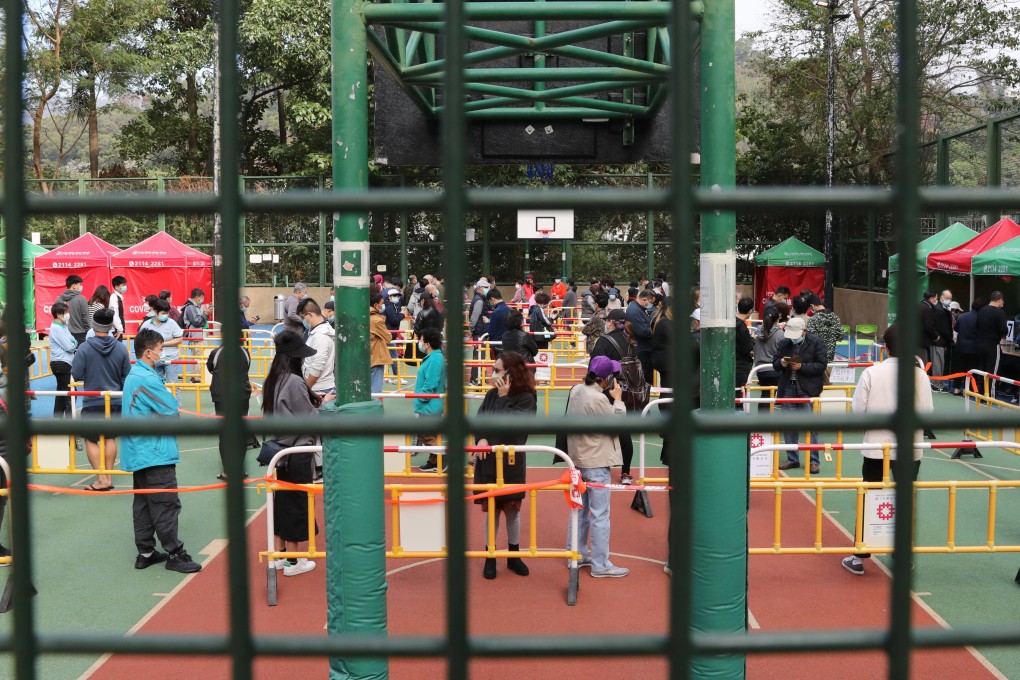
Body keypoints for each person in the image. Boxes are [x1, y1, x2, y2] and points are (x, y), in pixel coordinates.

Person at [841, 324, 934, 576]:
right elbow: (927, 414)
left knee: (869, 497)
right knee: (906, 499)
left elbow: (858, 412)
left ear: (885, 348)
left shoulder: (872, 373)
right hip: (909, 448)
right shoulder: (920, 376)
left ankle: (860, 555)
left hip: (876, 447)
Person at [121, 329, 203, 574]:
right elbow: (171, 410)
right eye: (160, 349)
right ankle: (175, 553)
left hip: (139, 450)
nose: (163, 353)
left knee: (144, 504)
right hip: (153, 451)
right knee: (165, 503)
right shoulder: (146, 379)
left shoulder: (136, 375)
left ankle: (145, 552)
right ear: (148, 352)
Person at [264, 331, 331, 577]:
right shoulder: (293, 381)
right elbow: (308, 417)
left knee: (281, 504)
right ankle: (294, 560)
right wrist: (323, 404)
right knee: (297, 504)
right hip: (297, 450)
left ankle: (281, 555)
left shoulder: (273, 378)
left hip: (279, 452)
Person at [473, 351, 537, 579]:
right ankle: (490, 556)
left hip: (511, 462)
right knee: (492, 511)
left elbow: (514, 429)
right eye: (493, 369)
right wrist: (480, 437)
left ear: (511, 373)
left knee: (512, 510)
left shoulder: (527, 398)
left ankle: (514, 555)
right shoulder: (491, 395)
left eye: (498, 370)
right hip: (489, 460)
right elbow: (480, 420)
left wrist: (503, 398)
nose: (493, 374)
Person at [565, 355, 629, 578]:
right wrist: (618, 401)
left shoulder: (576, 390)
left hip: (577, 458)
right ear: (606, 379)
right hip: (597, 460)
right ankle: (601, 565)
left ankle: (576, 553)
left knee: (579, 511)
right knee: (600, 515)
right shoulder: (598, 399)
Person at [70, 309, 131, 491]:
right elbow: (126, 375)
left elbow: (76, 373)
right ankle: (109, 478)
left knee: (91, 439)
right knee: (110, 438)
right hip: (114, 400)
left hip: (93, 400)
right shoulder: (121, 348)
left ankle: (101, 478)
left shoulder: (85, 348)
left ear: (93, 326)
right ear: (111, 326)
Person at [771, 316, 828, 474]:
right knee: (789, 425)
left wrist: (802, 367)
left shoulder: (816, 341)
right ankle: (792, 459)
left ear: (804, 331)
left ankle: (814, 461)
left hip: (807, 389)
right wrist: (781, 363)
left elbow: (822, 365)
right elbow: (775, 363)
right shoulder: (784, 342)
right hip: (787, 387)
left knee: (811, 427)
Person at [298, 297, 335, 482]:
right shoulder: (321, 333)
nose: (304, 321)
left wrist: (306, 388)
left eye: (304, 317)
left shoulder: (320, 336)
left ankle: (320, 470)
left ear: (310, 315)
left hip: (319, 388)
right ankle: (321, 469)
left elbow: (317, 367)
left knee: (317, 433)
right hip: (320, 386)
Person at [206, 340, 255, 480]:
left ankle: (228, 471)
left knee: (225, 433)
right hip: (241, 395)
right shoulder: (245, 352)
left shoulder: (216, 353)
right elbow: (247, 366)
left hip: (222, 396)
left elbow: (211, 368)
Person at [415, 329, 447, 472]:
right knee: (430, 433)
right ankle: (434, 461)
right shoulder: (435, 357)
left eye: (421, 340)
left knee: (425, 433)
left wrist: (421, 397)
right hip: (430, 403)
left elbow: (431, 383)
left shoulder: (434, 359)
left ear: (427, 344)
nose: (420, 343)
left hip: (429, 404)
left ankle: (444, 456)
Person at [138, 300, 185, 385]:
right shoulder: (147, 324)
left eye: (167, 313)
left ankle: (175, 399)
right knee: (155, 383)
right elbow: (141, 340)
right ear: (155, 312)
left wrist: (162, 344)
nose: (165, 315)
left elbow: (179, 339)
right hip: (154, 359)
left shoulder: (172, 323)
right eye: (163, 313)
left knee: (173, 384)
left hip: (171, 358)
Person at [753, 308, 786, 413]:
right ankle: (766, 423)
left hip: (760, 370)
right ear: (777, 319)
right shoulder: (780, 334)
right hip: (775, 369)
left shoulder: (757, 332)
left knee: (765, 394)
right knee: (770, 396)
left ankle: (761, 423)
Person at [976, 291, 1008, 397]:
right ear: (999, 300)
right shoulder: (1000, 312)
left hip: (980, 343)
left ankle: (981, 393)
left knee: (982, 369)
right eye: (1002, 301)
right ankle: (989, 395)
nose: (1003, 303)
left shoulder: (981, 310)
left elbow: (977, 326)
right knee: (992, 371)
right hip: (992, 345)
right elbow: (1004, 330)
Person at [48, 302, 77, 418]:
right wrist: (73, 343)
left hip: (62, 363)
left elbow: (73, 341)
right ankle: (71, 426)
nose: (68, 314)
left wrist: (73, 343)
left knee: (61, 393)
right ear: (59, 314)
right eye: (66, 313)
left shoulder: (63, 326)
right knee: (70, 394)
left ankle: (58, 419)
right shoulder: (56, 329)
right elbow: (70, 346)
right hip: (62, 363)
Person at [952, 298, 984, 395]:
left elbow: (956, 329)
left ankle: (956, 389)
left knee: (959, 368)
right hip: (974, 348)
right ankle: (969, 390)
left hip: (960, 346)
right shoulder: (981, 319)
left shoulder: (962, 316)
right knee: (972, 369)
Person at [626, 289, 657, 383]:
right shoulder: (635, 311)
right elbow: (643, 331)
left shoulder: (637, 308)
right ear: (644, 300)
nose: (651, 305)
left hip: (643, 348)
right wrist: (657, 329)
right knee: (645, 378)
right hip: (642, 350)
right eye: (651, 302)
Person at [805, 294, 844, 366]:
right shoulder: (836, 318)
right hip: (830, 357)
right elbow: (840, 337)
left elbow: (810, 340)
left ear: (812, 306)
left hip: (816, 358)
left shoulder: (813, 320)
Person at [930, 289, 955, 390]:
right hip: (939, 341)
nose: (949, 300)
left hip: (941, 341)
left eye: (950, 298)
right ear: (941, 298)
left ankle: (938, 383)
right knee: (938, 362)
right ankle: (937, 384)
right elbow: (943, 328)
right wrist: (950, 339)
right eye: (947, 298)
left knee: (940, 362)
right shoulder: (939, 309)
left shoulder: (944, 308)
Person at [56, 275, 91, 345]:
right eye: (79, 284)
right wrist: (89, 331)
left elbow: (56, 318)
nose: (81, 287)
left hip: (64, 333)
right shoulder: (81, 299)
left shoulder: (59, 299)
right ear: (74, 286)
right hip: (81, 334)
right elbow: (85, 318)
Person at [369, 292, 392, 395]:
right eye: (381, 303)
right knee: (376, 390)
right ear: (375, 305)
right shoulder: (376, 320)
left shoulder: (363, 316)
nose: (383, 306)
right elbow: (388, 337)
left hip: (365, 356)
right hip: (376, 356)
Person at [735, 297, 755, 392]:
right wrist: (752, 339)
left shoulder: (731, 322)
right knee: (739, 395)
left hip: (731, 363)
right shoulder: (742, 328)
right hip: (741, 367)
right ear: (750, 311)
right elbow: (747, 349)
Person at [918, 290, 941, 371]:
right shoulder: (927, 308)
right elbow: (929, 326)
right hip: (921, 342)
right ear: (931, 298)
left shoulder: (920, 305)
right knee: (922, 365)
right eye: (936, 299)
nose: (936, 301)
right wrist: (936, 336)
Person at [485, 288, 510, 358]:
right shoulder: (510, 310)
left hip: (498, 345)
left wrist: (487, 323)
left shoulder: (495, 312)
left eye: (490, 301)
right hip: (510, 345)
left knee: (498, 367)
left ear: (492, 299)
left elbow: (491, 331)